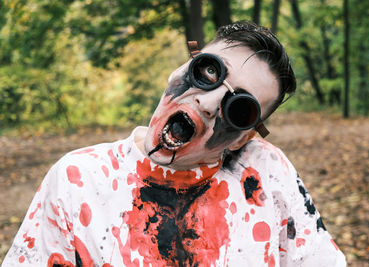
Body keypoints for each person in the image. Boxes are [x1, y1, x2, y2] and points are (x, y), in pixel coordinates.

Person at [2, 21, 346, 266]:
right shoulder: (77, 180)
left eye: (239, 109)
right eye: (210, 72)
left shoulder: (266, 175)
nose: (209, 104)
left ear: (244, 137)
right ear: (182, 68)